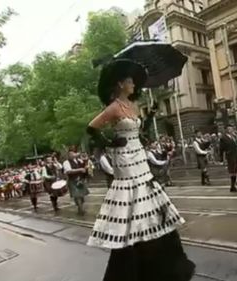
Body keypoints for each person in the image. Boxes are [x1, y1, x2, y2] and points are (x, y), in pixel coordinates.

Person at [85, 58, 194, 281]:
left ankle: (161, 258)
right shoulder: (114, 107)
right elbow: (91, 127)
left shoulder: (132, 106)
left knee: (149, 204)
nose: (134, 84)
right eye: (129, 81)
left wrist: (152, 113)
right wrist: (109, 142)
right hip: (125, 159)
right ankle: (133, 258)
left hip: (139, 156)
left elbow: (140, 130)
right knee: (133, 205)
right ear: (119, 84)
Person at [63, 147, 89, 215]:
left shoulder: (79, 160)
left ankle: (80, 208)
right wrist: (80, 169)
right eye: (70, 154)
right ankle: (80, 210)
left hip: (80, 180)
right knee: (77, 195)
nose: (72, 155)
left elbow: (84, 167)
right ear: (68, 155)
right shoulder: (66, 162)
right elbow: (68, 171)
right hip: (73, 180)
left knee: (81, 195)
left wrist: (85, 164)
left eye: (73, 153)